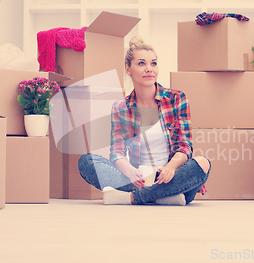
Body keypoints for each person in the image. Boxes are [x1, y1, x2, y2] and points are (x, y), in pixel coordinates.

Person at [78, 36, 210, 205]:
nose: (149, 69)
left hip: (171, 176)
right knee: (87, 162)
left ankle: (134, 198)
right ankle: (165, 197)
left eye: (153, 63)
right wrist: (131, 172)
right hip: (138, 178)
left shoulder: (177, 98)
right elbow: (116, 151)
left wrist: (170, 168)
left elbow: (185, 146)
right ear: (128, 68)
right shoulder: (120, 107)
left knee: (202, 163)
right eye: (141, 63)